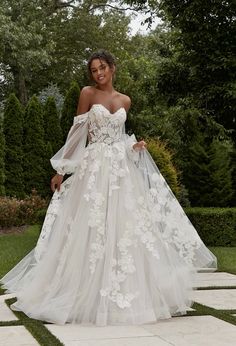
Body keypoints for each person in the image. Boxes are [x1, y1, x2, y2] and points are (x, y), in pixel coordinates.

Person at [0, 50, 217, 326]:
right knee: (90, 228)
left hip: (121, 171)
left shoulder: (126, 99)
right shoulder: (87, 94)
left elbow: (121, 137)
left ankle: (125, 296)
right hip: (94, 168)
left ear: (113, 68)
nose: (99, 73)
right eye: (94, 70)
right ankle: (82, 292)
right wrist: (61, 170)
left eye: (102, 68)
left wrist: (134, 146)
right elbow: (77, 133)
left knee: (124, 229)